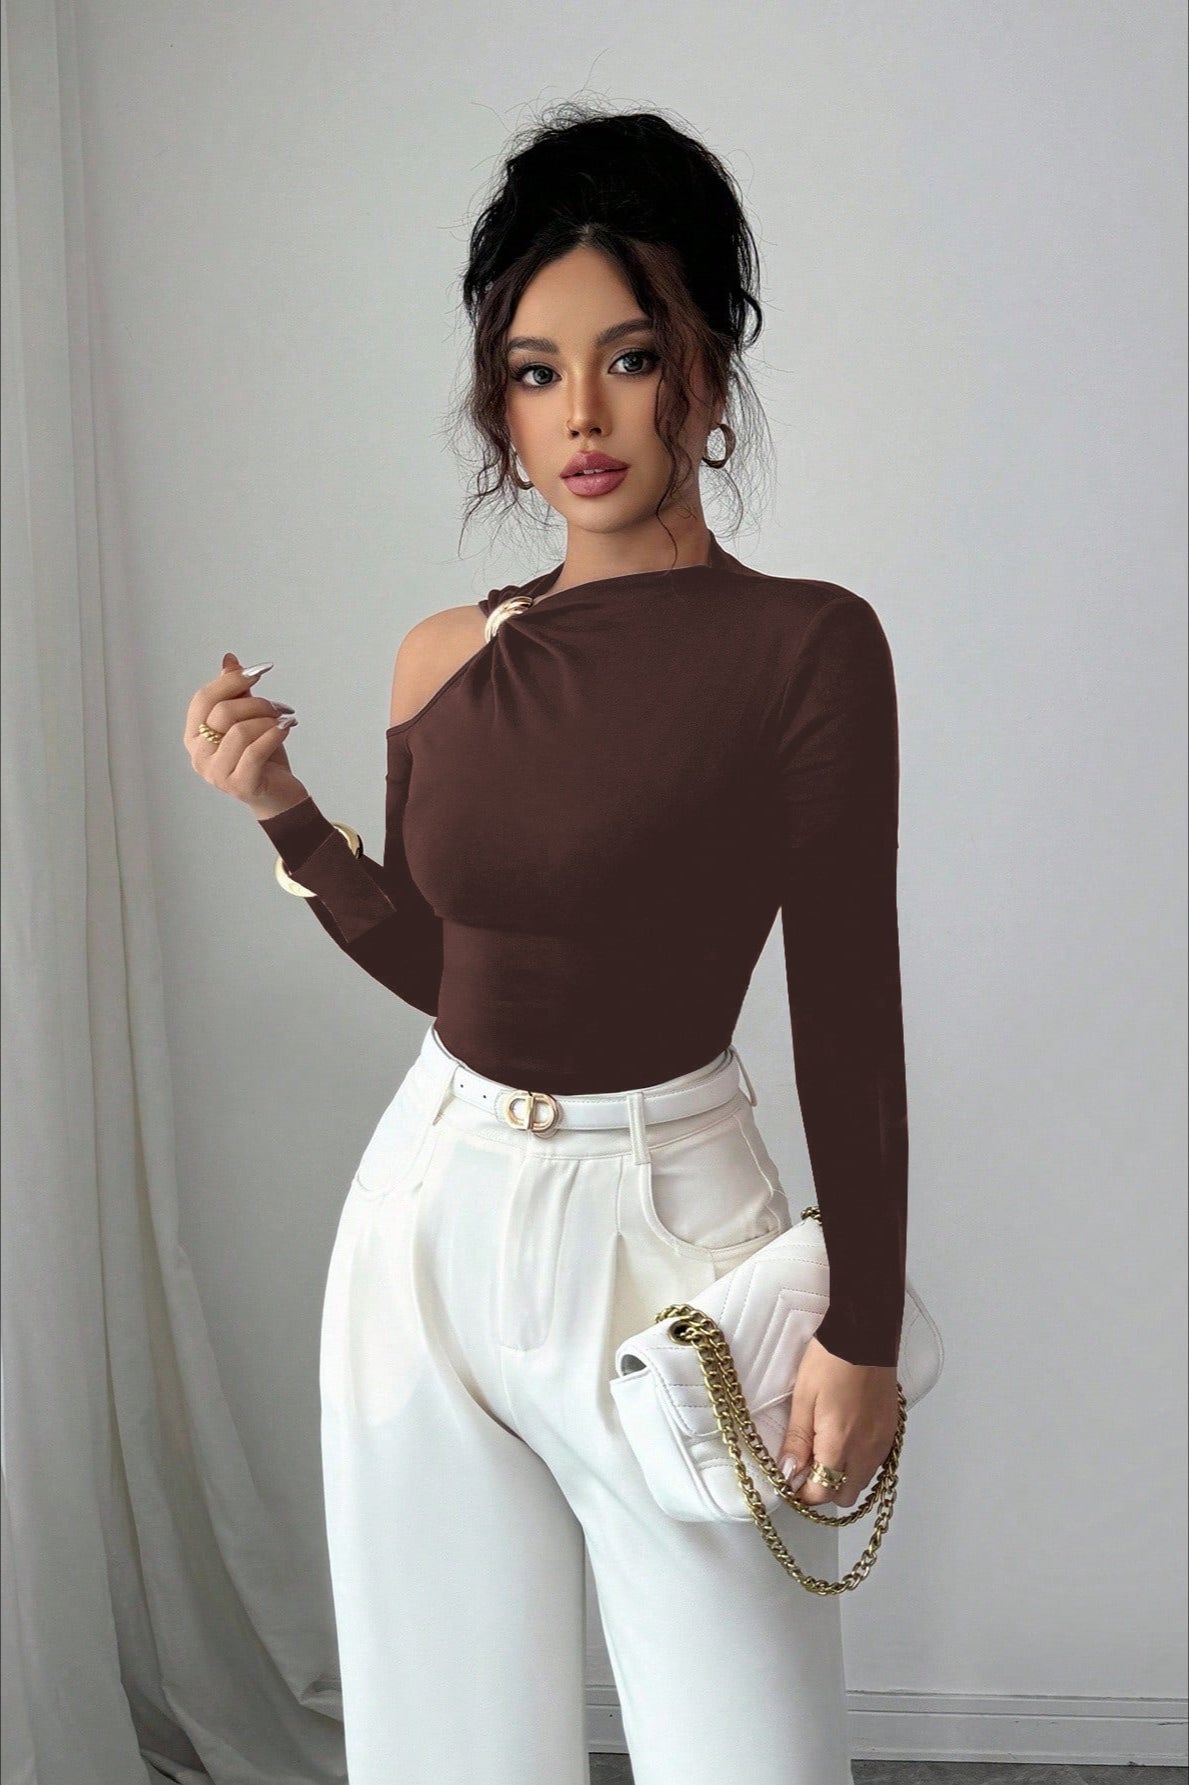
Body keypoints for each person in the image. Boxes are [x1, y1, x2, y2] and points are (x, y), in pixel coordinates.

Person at [184, 102, 907, 1785]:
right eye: (532, 371)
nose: (579, 414)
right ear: (496, 401)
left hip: (670, 1231)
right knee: (445, 1748)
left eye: (628, 357)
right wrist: (286, 815)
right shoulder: (444, 655)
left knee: (746, 1755)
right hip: (429, 1214)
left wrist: (861, 1325)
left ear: (704, 373)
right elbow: (451, 971)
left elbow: (846, 1000)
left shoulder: (807, 647)